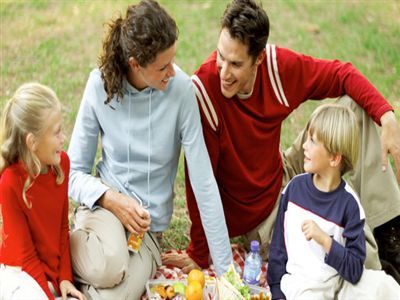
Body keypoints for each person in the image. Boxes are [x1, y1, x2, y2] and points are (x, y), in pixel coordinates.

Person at [163, 0, 400, 281]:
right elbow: (200, 183)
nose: (224, 72)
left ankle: (390, 235)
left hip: (283, 172)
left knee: (357, 108)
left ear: (258, 59)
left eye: (236, 63)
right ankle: (375, 275)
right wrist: (199, 252)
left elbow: (341, 74)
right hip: (262, 218)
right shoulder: (204, 92)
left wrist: (386, 117)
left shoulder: (277, 69)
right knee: (331, 233)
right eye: (221, 56)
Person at [67, 0, 232, 299]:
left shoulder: (182, 91)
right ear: (135, 64)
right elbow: (72, 173)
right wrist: (110, 199)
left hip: (147, 232)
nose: (172, 72)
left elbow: (204, 181)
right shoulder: (99, 86)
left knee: (114, 295)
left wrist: (226, 273)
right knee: (110, 265)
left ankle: (71, 280)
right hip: (104, 210)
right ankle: (56, 251)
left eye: (173, 61)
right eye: (162, 67)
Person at [267, 104, 400, 299]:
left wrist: (326, 241)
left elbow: (355, 270)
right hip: (302, 286)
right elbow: (278, 251)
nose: (304, 145)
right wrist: (277, 292)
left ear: (334, 158)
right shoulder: (294, 191)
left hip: (340, 283)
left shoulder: (350, 204)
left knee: (384, 284)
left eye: (312, 141)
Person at [0, 83, 84, 300]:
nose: (63, 138)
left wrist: (65, 277)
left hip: (51, 271)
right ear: (32, 142)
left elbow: (62, 227)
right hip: (19, 271)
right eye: (56, 133)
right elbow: (25, 256)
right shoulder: (10, 182)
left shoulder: (62, 164)